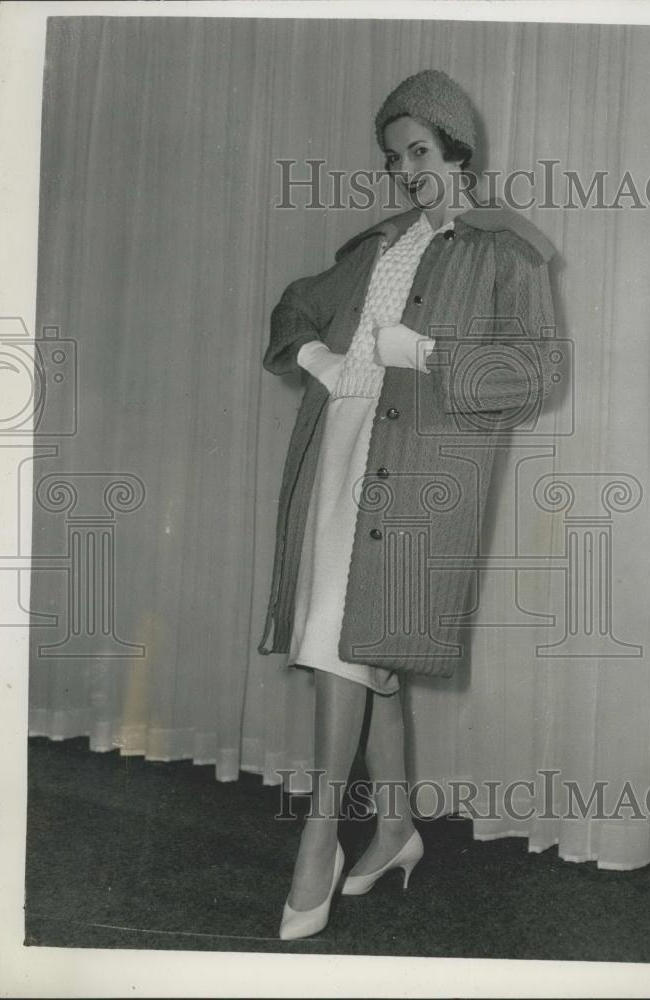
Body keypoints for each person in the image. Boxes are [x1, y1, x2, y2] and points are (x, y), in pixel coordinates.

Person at [258, 69, 557, 940]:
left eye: (420, 152)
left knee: (341, 641)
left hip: (423, 469)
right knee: (358, 646)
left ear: (458, 150)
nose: (406, 170)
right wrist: (316, 358)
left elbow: (537, 375)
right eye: (395, 158)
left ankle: (321, 837)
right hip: (340, 451)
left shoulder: (507, 251)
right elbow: (292, 309)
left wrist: (422, 352)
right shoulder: (378, 243)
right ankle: (392, 829)